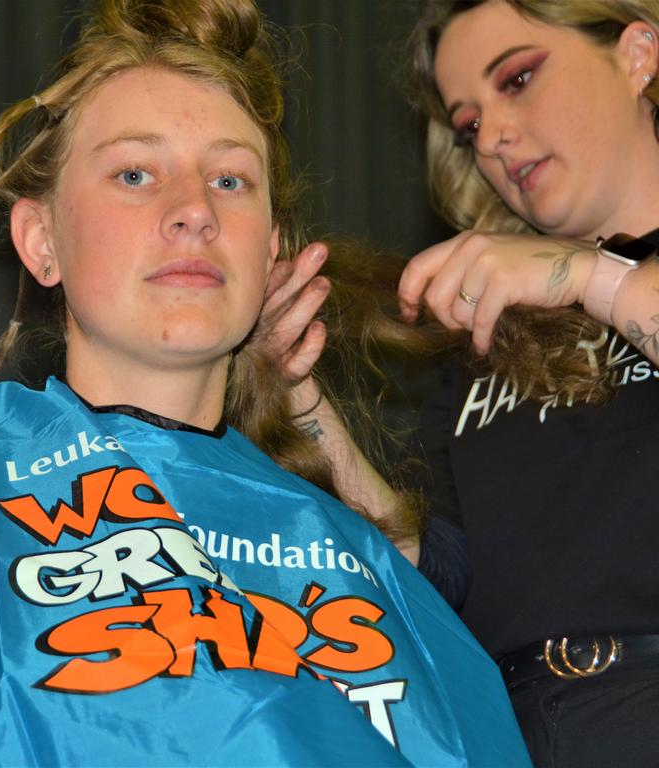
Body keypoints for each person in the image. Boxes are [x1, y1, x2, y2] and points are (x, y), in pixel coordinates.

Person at [0, 1, 530, 766]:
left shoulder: (359, 560)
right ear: (40, 241)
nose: (194, 210)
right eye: (135, 173)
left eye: (230, 179)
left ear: (272, 253)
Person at [264, 1, 659, 765]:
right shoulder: (491, 334)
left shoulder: (566, 279)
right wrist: (296, 396)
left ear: (638, 52)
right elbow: (437, 579)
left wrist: (587, 273)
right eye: (470, 125)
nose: (495, 140)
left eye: (518, 78)